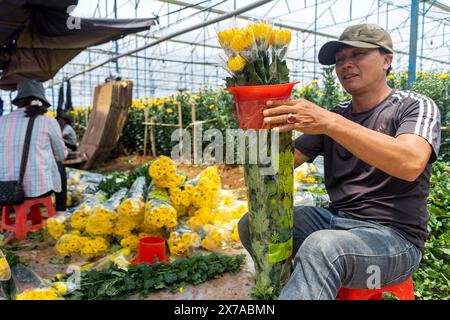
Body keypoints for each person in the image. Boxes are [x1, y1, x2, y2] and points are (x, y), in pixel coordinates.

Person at [238, 23, 441, 300]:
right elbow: (278, 164)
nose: (346, 64)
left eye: (357, 55)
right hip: (336, 220)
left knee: (324, 247)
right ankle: (284, 289)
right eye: (339, 60)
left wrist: (330, 123)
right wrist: (254, 118)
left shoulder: (413, 105)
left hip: (396, 240)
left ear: (386, 60)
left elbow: (410, 163)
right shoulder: (336, 114)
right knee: (255, 224)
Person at [0, 80, 68, 213]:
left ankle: (15, 212)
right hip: (39, 190)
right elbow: (62, 155)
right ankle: (61, 211)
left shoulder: (1, 121)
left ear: (19, 100)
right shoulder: (48, 121)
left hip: (5, 190)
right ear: (41, 100)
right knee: (59, 165)